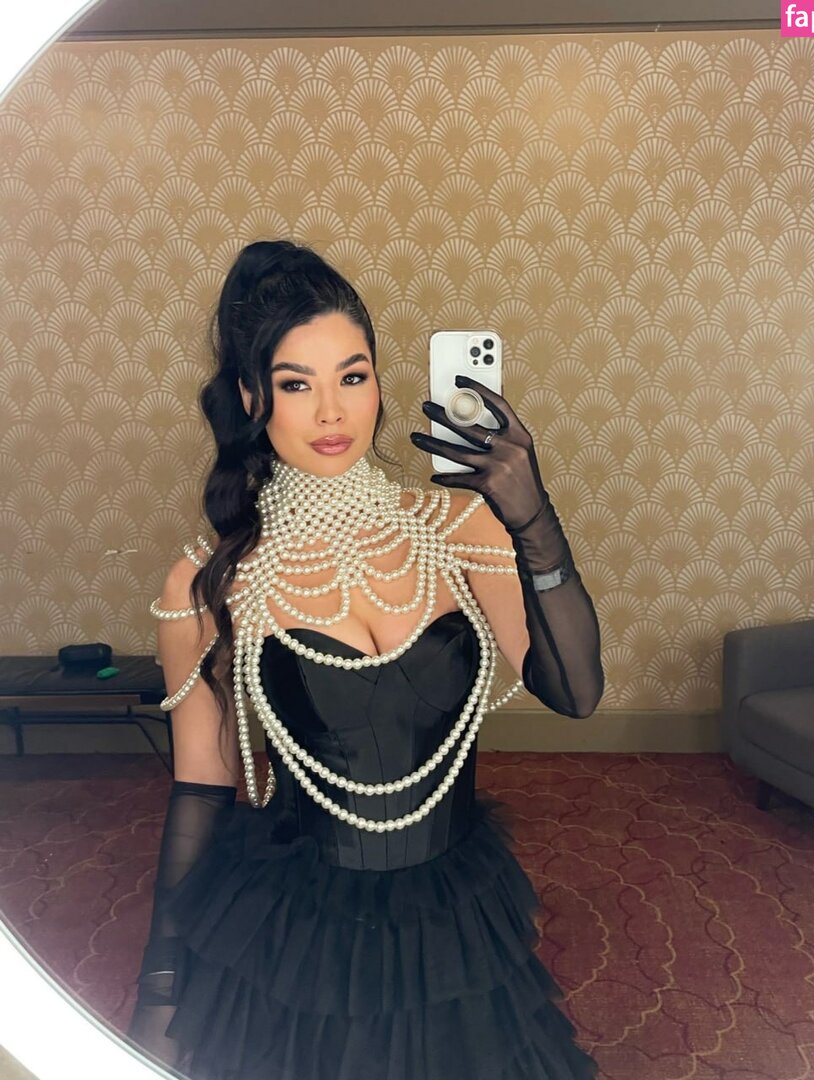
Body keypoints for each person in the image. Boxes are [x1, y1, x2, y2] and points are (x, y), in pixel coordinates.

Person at [127, 239, 605, 1080]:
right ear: (251, 397)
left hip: (453, 909)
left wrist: (533, 518)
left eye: (351, 377)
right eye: (295, 384)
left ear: (379, 382)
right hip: (299, 926)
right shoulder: (207, 583)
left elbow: (576, 692)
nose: (330, 412)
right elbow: (199, 795)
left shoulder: (459, 527)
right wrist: (159, 997)